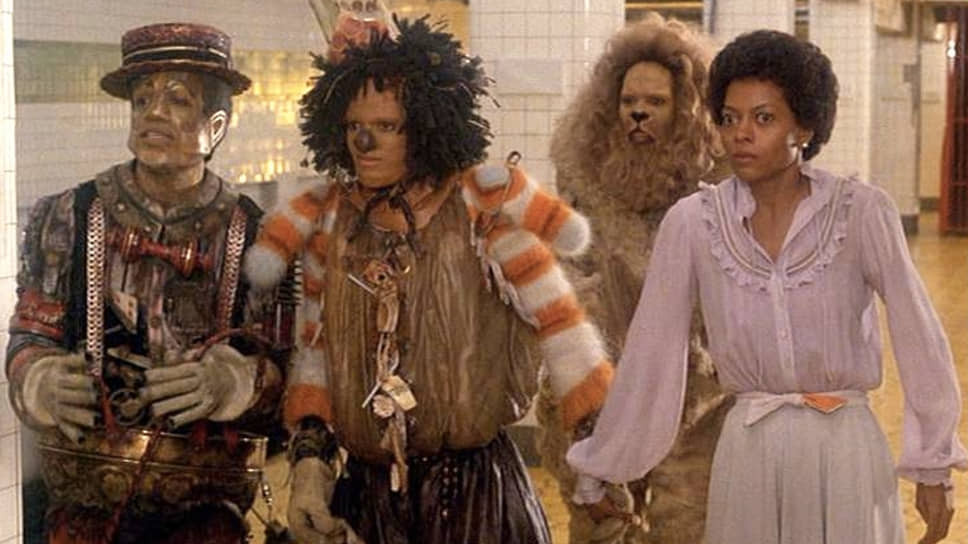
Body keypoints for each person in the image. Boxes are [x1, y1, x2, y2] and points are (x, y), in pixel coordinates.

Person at [567, 29, 967, 544]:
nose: (741, 134)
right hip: (748, 451)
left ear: (805, 126)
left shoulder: (861, 212)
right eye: (729, 118)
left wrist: (933, 463)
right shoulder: (694, 223)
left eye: (763, 118)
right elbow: (652, 354)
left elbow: (920, 338)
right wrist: (603, 463)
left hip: (844, 451)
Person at [242, 8, 615, 544]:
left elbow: (564, 332)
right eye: (354, 127)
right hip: (366, 502)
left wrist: (599, 460)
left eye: (386, 127)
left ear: (427, 126)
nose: (364, 144)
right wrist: (308, 472)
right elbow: (316, 355)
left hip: (477, 501)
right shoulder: (332, 224)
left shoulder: (482, 214)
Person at [5, 23, 290, 544]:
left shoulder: (259, 235)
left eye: (177, 100)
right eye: (142, 100)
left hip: (206, 510)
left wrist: (236, 383)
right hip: (84, 502)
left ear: (216, 126)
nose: (153, 113)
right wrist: (40, 380)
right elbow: (29, 336)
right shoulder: (67, 216)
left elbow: (288, 374)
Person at [542, 14, 729, 543]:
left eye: (656, 102)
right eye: (628, 101)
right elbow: (563, 272)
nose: (639, 112)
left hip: (692, 393)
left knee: (685, 524)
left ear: (687, 110)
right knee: (599, 525)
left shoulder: (717, 189)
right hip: (601, 390)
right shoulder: (582, 177)